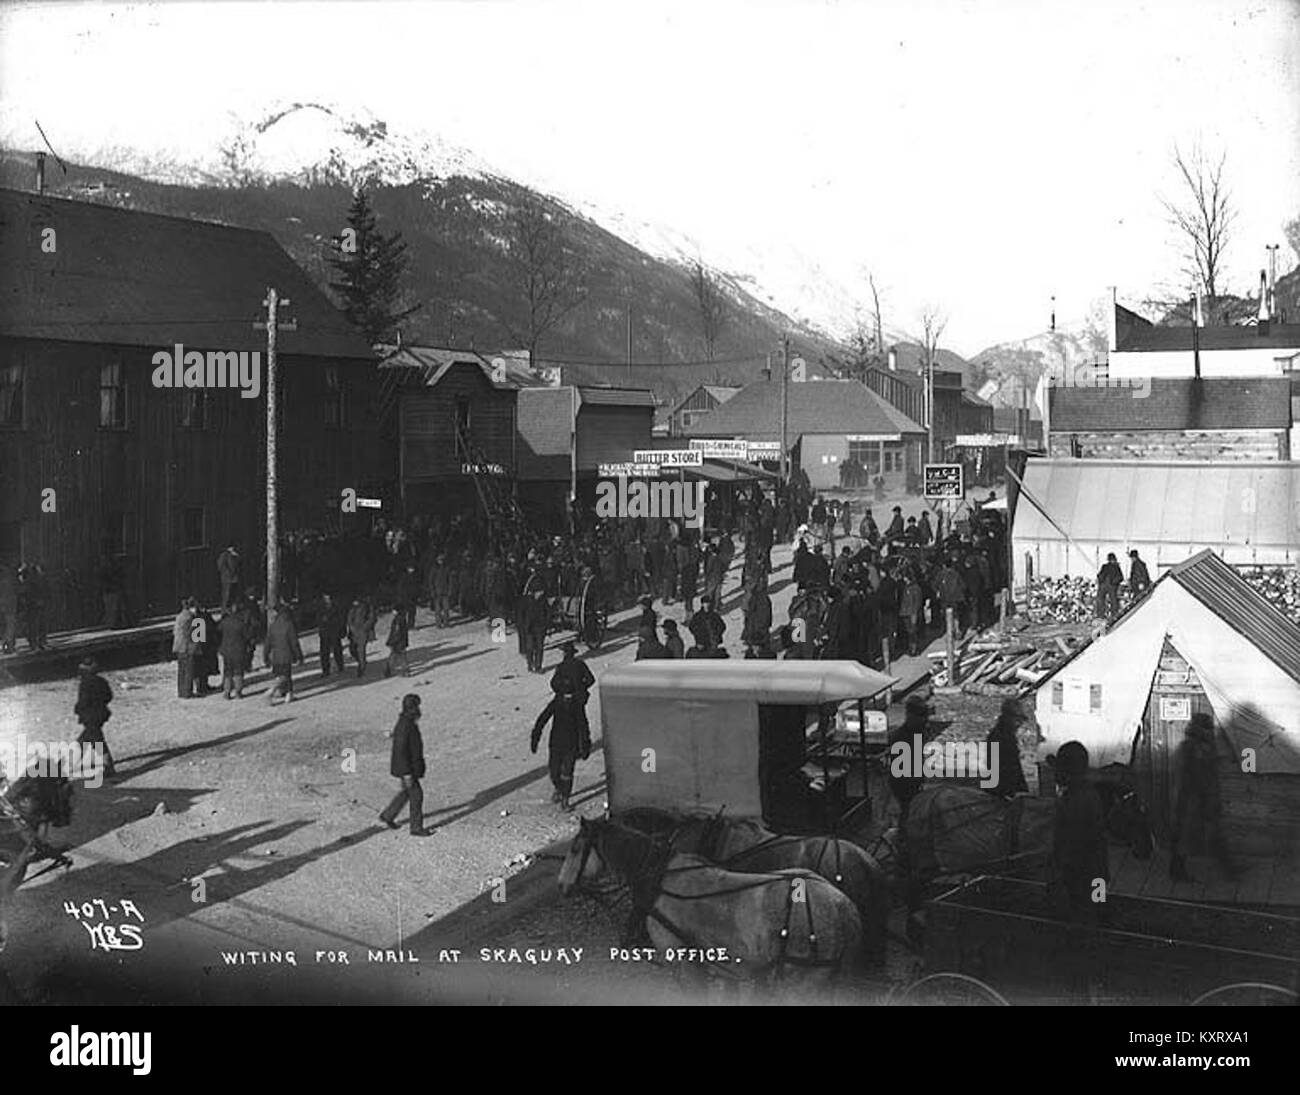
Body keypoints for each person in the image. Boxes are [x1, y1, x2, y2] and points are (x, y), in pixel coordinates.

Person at [1169, 713, 1234, 882]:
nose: (1210, 732)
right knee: (1188, 836)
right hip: (1192, 799)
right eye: (1207, 728)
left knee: (1208, 832)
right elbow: (1187, 775)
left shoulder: (1201, 747)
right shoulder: (1190, 748)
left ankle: (1227, 865)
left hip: (1200, 798)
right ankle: (1177, 870)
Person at [1050, 740, 1109, 924]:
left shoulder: (1074, 800)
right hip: (1097, 874)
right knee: (1098, 908)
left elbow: (1067, 843)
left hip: (1081, 876)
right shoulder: (1088, 793)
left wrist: (1057, 876)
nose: (1055, 774)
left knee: (1084, 917)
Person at [534, 642, 594, 809]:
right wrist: (581, 688)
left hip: (561, 742)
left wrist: (535, 738)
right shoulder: (581, 665)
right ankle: (561, 792)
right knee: (560, 771)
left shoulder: (560, 669)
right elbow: (591, 680)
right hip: (564, 741)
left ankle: (564, 797)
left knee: (563, 771)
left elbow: (543, 718)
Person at [380, 694, 429, 836]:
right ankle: (416, 828)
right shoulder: (406, 724)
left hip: (407, 767)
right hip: (407, 768)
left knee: (407, 792)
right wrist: (407, 773)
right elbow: (401, 750)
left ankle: (388, 815)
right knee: (416, 795)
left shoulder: (405, 722)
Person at [889, 694, 930, 824]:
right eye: (921, 716)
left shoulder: (919, 732)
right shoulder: (901, 736)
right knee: (907, 809)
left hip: (913, 778)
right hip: (904, 780)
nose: (925, 721)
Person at [74, 657, 114, 778]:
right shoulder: (102, 681)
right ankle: (68, 762)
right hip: (101, 714)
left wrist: (78, 709)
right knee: (85, 739)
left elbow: (83, 701)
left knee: (96, 740)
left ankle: (108, 766)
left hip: (89, 715)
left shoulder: (85, 683)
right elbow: (109, 696)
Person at [984, 697, 1029, 799]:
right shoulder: (999, 736)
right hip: (1001, 792)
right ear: (1008, 717)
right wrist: (1016, 790)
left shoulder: (1006, 734)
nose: (1020, 724)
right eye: (1017, 720)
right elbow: (1001, 768)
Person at [264, 603, 303, 704]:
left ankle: (285, 693)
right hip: (286, 654)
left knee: (279, 674)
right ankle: (274, 691)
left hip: (275, 655)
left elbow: (267, 642)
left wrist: (266, 656)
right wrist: (299, 655)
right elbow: (294, 642)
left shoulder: (273, 626)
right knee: (286, 675)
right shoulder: (289, 625)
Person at [218, 606, 249, 700]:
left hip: (227, 650)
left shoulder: (224, 622)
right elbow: (247, 636)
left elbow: (218, 631)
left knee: (227, 671)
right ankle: (238, 692)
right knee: (238, 671)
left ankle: (227, 692)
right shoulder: (241, 623)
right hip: (239, 650)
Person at [173, 597, 198, 699]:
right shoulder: (191, 617)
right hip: (187, 647)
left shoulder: (179, 617)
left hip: (179, 647)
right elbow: (196, 635)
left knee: (181, 670)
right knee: (189, 670)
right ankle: (188, 692)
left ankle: (181, 691)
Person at [317, 592, 346, 677]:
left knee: (337, 650)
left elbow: (340, 619)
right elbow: (318, 620)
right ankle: (326, 670)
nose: (327, 599)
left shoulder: (336, 607)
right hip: (325, 633)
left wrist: (340, 629)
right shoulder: (321, 608)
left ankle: (340, 666)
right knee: (324, 652)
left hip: (334, 632)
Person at [347, 597, 376, 678]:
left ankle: (361, 667)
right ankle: (361, 661)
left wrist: (365, 627)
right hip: (353, 632)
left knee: (361, 650)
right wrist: (351, 626)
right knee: (352, 649)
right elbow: (349, 617)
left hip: (363, 631)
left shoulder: (367, 606)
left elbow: (372, 617)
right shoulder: (353, 607)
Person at [1096, 553, 1123, 622]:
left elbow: (1099, 575)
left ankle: (1101, 616)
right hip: (1110, 585)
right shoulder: (1116, 567)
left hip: (1106, 585)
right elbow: (1120, 577)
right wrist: (1114, 582)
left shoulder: (1105, 566)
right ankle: (1113, 616)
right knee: (1113, 601)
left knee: (1102, 600)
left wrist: (1101, 580)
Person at [384, 608, 411, 678]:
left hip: (397, 642)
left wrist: (390, 641)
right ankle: (405, 671)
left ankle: (389, 671)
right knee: (402, 657)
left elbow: (396, 632)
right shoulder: (402, 619)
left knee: (393, 656)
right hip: (402, 641)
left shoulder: (397, 620)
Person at [216, 545, 241, 612]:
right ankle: (224, 610)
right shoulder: (224, 555)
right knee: (227, 595)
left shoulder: (235, 555)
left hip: (235, 579)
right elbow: (221, 566)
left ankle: (233, 610)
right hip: (227, 579)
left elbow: (238, 566)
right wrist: (228, 574)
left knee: (234, 595)